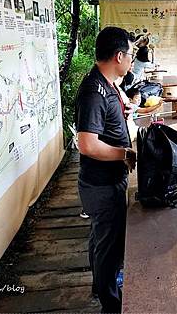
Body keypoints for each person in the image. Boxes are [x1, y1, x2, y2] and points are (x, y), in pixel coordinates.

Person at [75, 26, 137, 313]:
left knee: (101, 239)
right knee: (108, 246)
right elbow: (87, 144)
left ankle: (100, 286)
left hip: (109, 180)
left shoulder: (108, 83)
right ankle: (110, 304)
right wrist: (124, 153)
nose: (132, 61)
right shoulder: (93, 91)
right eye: (131, 55)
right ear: (119, 55)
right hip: (101, 184)